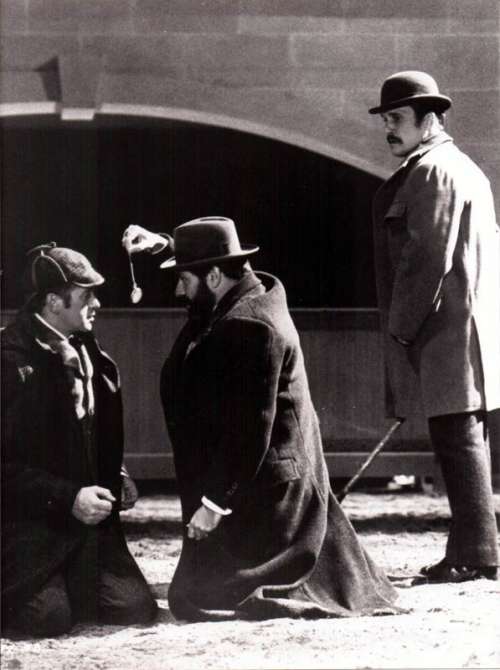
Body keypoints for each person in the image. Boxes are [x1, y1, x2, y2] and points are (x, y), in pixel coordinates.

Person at [122, 216, 400, 621]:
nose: (178, 290)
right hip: (259, 476)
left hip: (268, 493)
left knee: (198, 596)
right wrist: (167, 246)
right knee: (197, 584)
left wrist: (214, 504)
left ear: (214, 276)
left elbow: (250, 431)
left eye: (183, 278)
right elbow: (213, 265)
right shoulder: (246, 290)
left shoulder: (251, 326)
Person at [369, 71, 499, 583]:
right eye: (386, 119)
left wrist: (401, 326)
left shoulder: (433, 171)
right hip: (462, 329)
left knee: (457, 439)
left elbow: (427, 258)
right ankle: (471, 550)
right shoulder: (459, 167)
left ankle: (477, 555)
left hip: (447, 330)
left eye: (397, 118)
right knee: (461, 438)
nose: (389, 129)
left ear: (430, 120)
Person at [1, 243, 157, 637]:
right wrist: (68, 497)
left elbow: (85, 435)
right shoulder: (10, 360)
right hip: (29, 527)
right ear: (54, 302)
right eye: (86, 296)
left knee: (134, 607)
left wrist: (116, 472)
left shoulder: (86, 349)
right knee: (48, 618)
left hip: (86, 529)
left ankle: (67, 582)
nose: (97, 304)